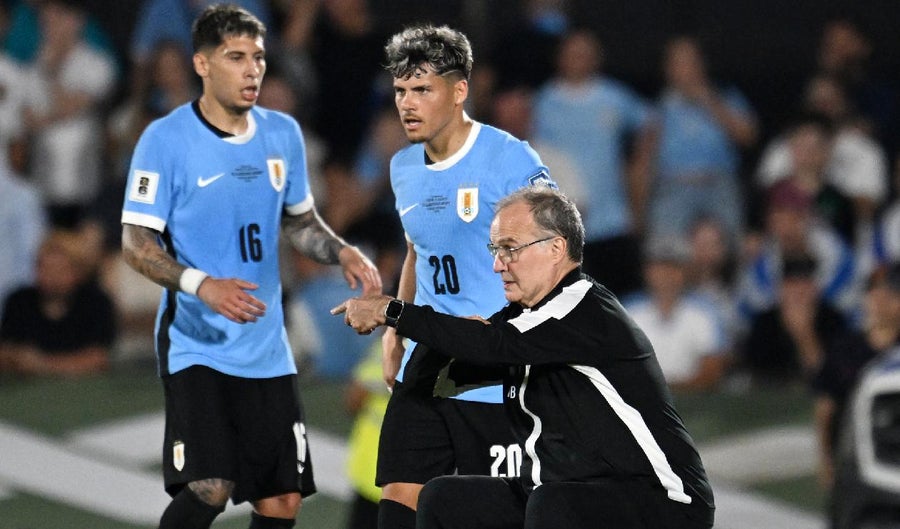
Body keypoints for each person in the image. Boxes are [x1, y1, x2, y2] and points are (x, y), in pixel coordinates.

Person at [119, 5, 381, 529]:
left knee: (282, 499)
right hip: (197, 343)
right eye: (235, 57)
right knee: (211, 486)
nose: (252, 69)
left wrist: (340, 250)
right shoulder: (165, 140)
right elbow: (136, 241)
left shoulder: (282, 133)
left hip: (265, 345)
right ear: (202, 64)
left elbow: (299, 221)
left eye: (258, 58)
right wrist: (202, 285)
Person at [333, 186, 715, 529]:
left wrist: (394, 312)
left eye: (510, 248)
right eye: (496, 250)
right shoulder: (522, 321)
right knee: (445, 498)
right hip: (569, 495)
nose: (498, 264)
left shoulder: (583, 308)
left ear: (556, 248)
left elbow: (491, 345)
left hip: (663, 502)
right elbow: (451, 368)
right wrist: (436, 344)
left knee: (553, 502)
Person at [376, 24, 555, 529]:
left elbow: (559, 250)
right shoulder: (403, 168)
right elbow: (417, 251)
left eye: (422, 89)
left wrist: (518, 329)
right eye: (401, 91)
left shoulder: (509, 158)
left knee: (495, 515)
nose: (408, 104)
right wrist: (396, 333)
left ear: (459, 91)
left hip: (492, 368)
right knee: (398, 506)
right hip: (428, 360)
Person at [532, 28, 655, 298]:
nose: (579, 59)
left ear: (597, 58)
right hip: (565, 224)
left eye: (585, 53)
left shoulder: (614, 97)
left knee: (617, 298)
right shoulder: (544, 101)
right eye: (572, 53)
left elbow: (650, 123)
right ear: (560, 58)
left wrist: (639, 170)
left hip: (612, 219)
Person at [0, 228, 114, 376]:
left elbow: (98, 358)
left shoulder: (95, 303)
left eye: (59, 269)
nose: (51, 277)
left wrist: (43, 364)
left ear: (78, 272)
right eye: (45, 268)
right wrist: (17, 358)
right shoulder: (19, 301)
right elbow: (6, 351)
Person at [623, 236, 729, 393]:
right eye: (659, 266)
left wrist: (670, 390)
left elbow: (712, 372)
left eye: (674, 267)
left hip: (694, 401)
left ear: (686, 270)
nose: (666, 274)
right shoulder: (627, 311)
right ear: (647, 271)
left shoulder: (705, 312)